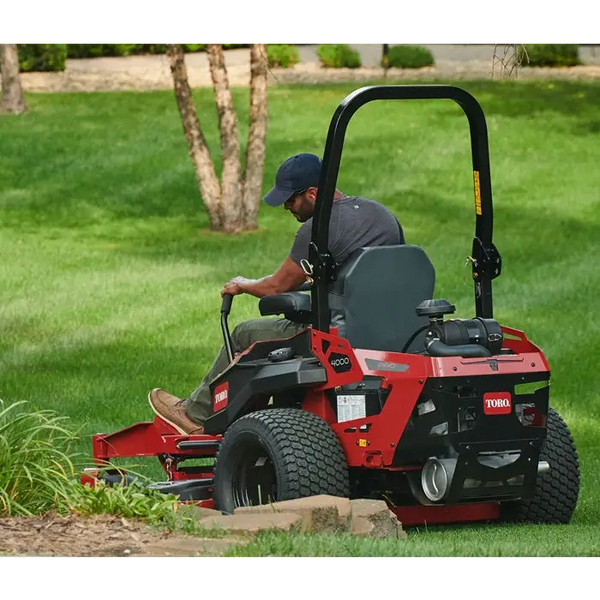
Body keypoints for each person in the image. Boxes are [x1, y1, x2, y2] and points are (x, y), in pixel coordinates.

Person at [148, 152, 406, 434]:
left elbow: (276, 287)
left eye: (291, 199)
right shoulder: (382, 216)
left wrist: (243, 284)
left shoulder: (318, 229)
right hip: (392, 332)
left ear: (312, 193)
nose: (286, 206)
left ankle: (195, 415)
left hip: (334, 338)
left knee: (245, 333)